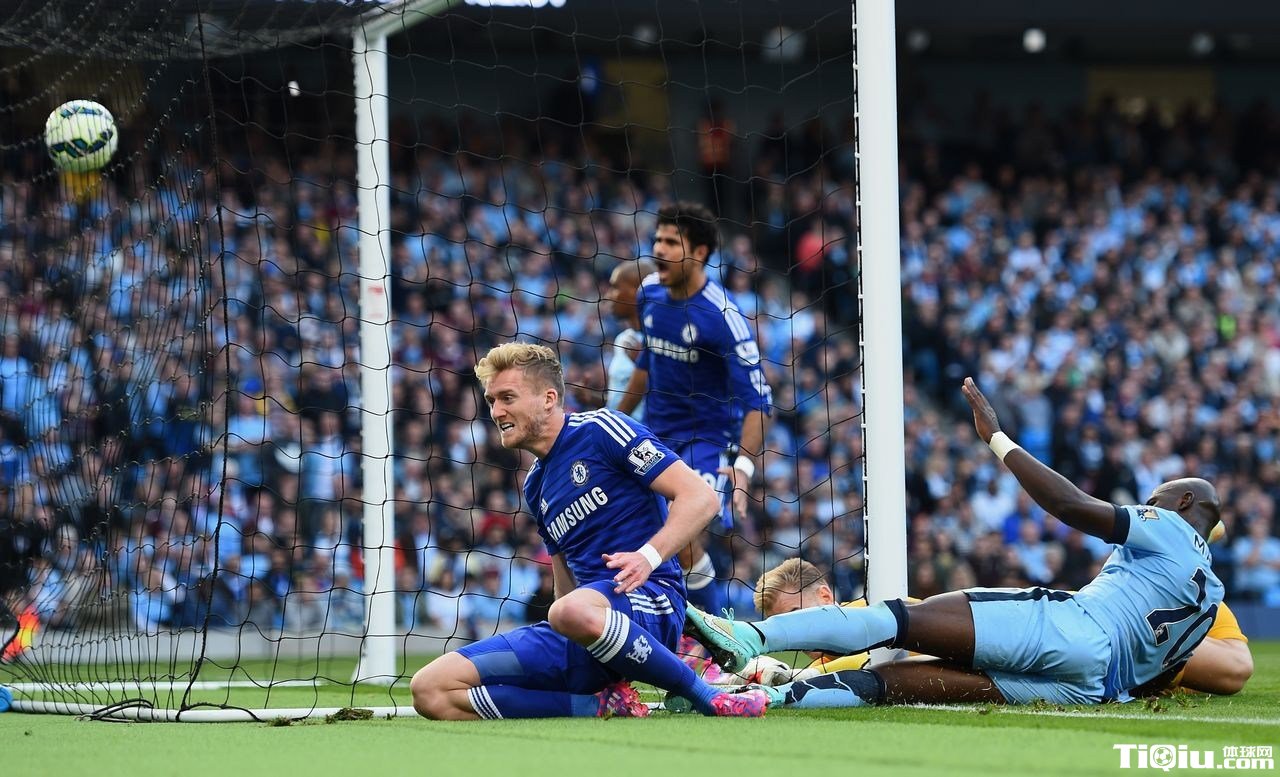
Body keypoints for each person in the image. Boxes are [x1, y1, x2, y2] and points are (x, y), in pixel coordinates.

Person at [679, 377, 1224, 710]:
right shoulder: (1210, 596)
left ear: (1182, 504)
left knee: (898, 619)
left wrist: (997, 439)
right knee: (898, 685)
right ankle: (771, 697)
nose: (1148, 501)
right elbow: (1159, 676)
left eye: (1157, 497)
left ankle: (747, 637)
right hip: (1093, 688)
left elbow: (1072, 506)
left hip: (1074, 629)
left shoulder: (1168, 524)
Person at [409, 343, 767, 719]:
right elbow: (565, 587)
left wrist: (647, 558)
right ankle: (600, 705)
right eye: (492, 400)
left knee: (570, 611)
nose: (496, 411)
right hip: (585, 622)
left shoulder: (601, 430)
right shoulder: (535, 486)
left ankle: (707, 695)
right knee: (430, 688)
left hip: (651, 601)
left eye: (507, 398)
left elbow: (701, 498)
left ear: (549, 399)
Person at [749, 557, 1252, 698]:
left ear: (824, 598)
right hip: (1083, 660)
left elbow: (886, 655)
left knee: (1233, 671)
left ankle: (1167, 623)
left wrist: (778, 675)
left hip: (1080, 638)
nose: (801, 631)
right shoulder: (830, 650)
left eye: (794, 614)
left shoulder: (864, 617)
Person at [618, 201, 772, 617]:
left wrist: (744, 467)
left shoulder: (722, 316)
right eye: (658, 240)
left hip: (707, 442)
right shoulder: (649, 293)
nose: (659, 249)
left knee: (680, 531)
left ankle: (716, 635)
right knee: (630, 526)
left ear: (700, 252)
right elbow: (648, 363)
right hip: (655, 437)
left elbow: (759, 400)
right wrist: (613, 416)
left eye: (672, 242)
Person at [603, 258, 656, 420]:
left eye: (615, 288)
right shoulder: (622, 339)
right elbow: (621, 399)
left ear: (638, 292)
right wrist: (592, 398)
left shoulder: (662, 341)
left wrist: (647, 366)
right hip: (622, 431)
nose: (608, 296)